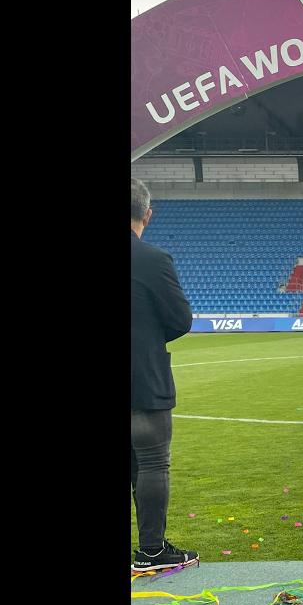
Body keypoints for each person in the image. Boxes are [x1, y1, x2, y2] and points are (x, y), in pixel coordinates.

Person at [131, 178, 199, 572]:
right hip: (142, 378)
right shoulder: (153, 260)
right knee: (153, 463)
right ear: (147, 214)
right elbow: (179, 319)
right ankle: (152, 551)